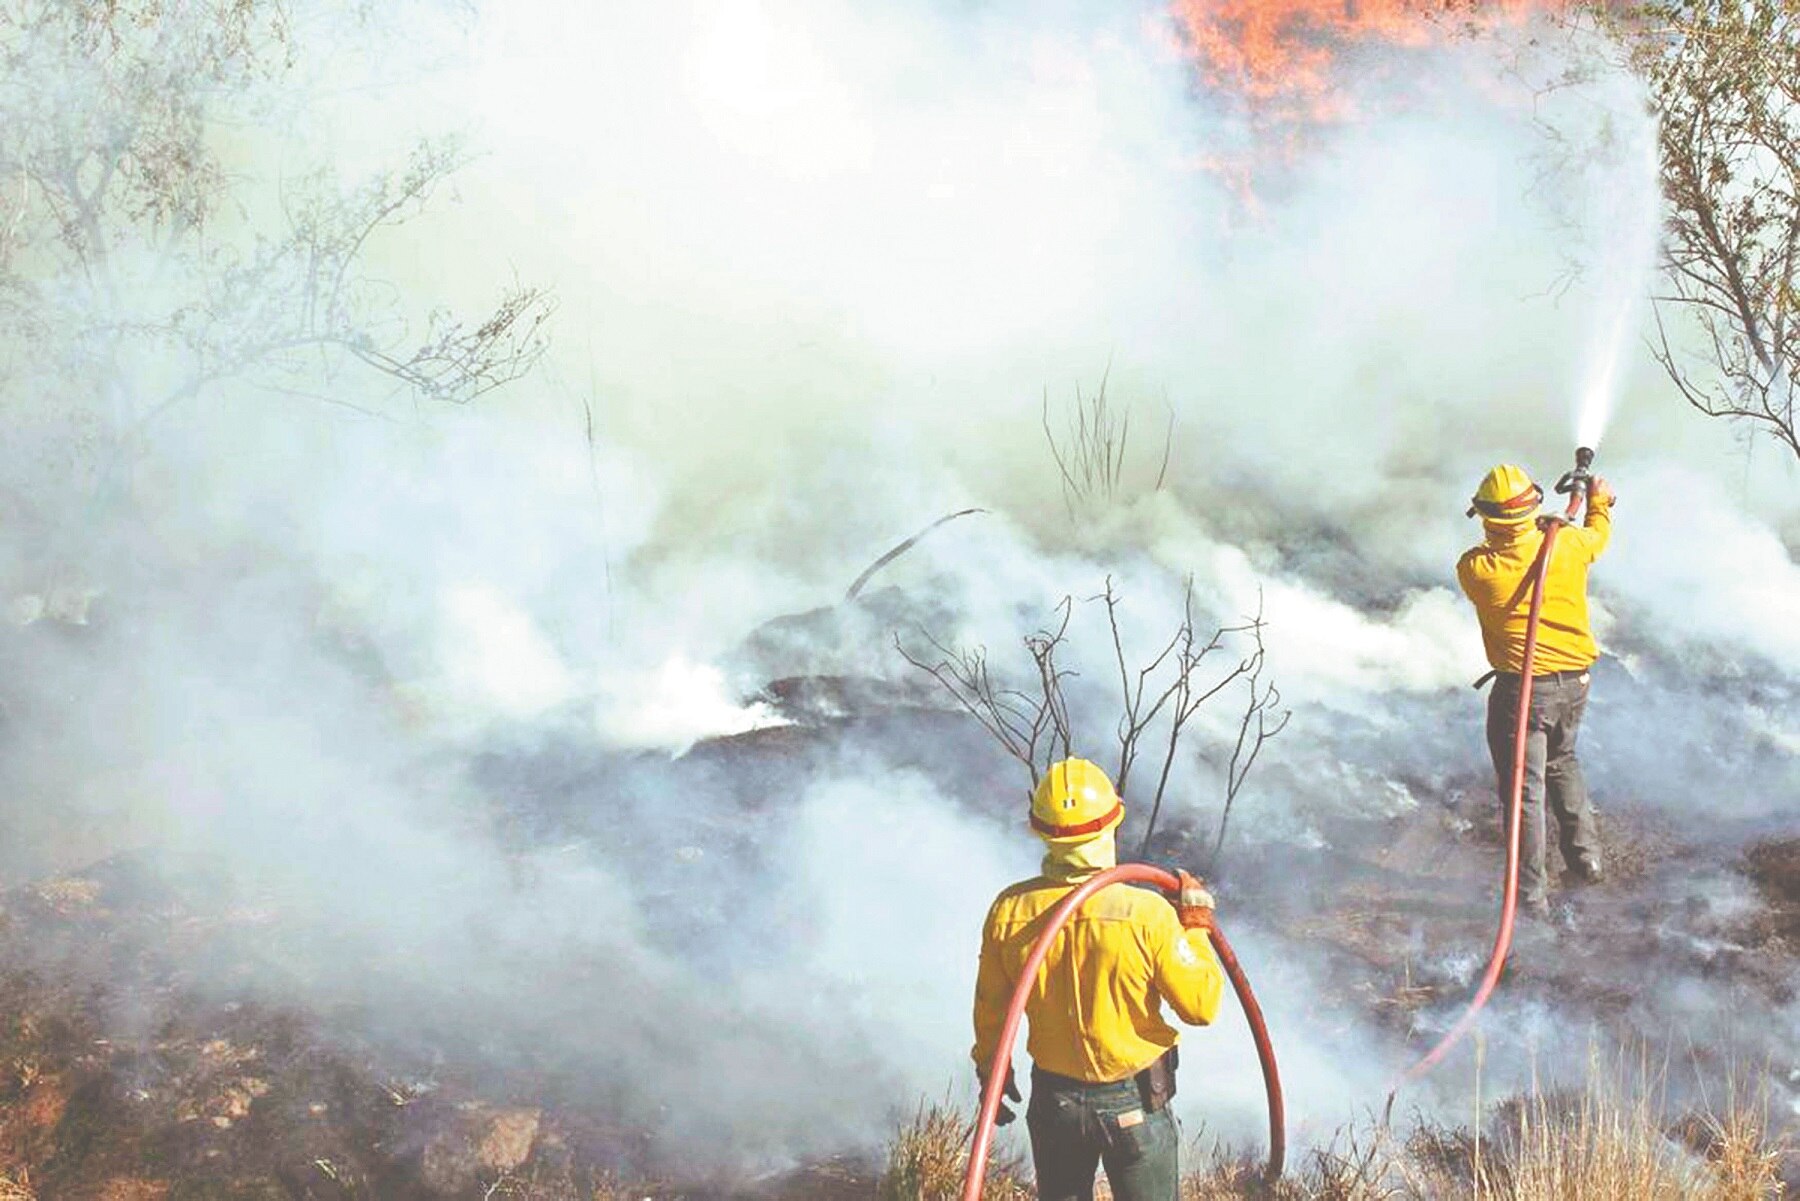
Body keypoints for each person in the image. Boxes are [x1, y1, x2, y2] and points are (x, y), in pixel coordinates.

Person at [971, 757, 1223, 1201]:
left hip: (1055, 1104)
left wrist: (992, 1067)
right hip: (1135, 1105)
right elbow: (1201, 1006)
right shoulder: (1146, 915)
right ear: (1114, 821)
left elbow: (992, 1007)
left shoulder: (1009, 911)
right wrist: (1197, 927)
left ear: (1040, 829)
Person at [1456, 463, 1615, 917]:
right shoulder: (1568, 544)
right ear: (1532, 508)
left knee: (1525, 794)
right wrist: (1598, 502)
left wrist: (1537, 531)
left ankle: (1530, 899)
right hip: (1575, 684)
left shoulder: (1476, 569)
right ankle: (1587, 859)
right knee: (1563, 761)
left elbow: (1496, 553)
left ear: (1487, 518)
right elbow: (1597, 537)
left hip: (1523, 694)